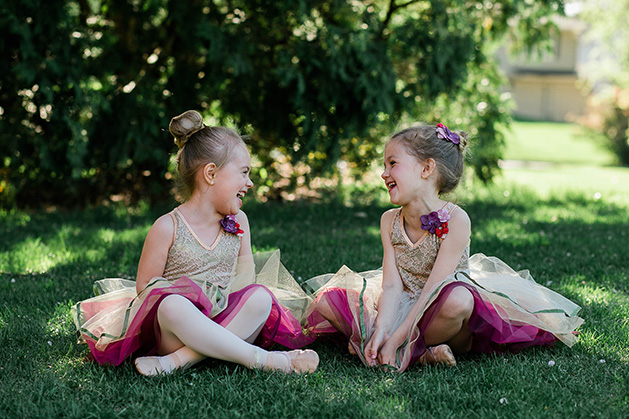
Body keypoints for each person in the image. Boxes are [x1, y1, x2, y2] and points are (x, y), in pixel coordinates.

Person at [304, 123, 583, 372]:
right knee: (328, 299)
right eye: (384, 165)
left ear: (426, 169)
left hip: (437, 305)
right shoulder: (389, 220)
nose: (383, 173)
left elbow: (434, 288)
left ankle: (394, 349)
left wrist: (397, 337)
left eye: (392, 163)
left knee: (459, 300)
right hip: (400, 301)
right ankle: (417, 353)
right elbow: (391, 286)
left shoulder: (456, 220)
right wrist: (381, 331)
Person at [72, 110, 318, 376]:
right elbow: (146, 289)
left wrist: (222, 302)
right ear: (211, 173)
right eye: (244, 172)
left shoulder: (240, 222)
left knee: (260, 297)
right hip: (178, 330)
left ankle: (176, 362)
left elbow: (246, 279)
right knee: (170, 305)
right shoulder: (168, 226)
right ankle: (265, 360)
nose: (250, 182)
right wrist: (192, 298)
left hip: (228, 321)